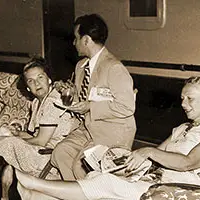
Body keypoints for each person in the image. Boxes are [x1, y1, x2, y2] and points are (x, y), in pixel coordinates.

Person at [3, 76, 200, 200]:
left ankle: (30, 182)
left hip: (182, 191)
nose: (184, 103)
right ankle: (31, 196)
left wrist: (148, 152)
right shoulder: (182, 129)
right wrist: (121, 161)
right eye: (182, 98)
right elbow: (152, 158)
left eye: (190, 99)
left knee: (106, 184)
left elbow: (189, 162)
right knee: (98, 174)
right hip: (156, 180)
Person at [50, 13, 137, 181]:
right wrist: (69, 92)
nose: (73, 43)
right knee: (61, 152)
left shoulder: (114, 68)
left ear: (86, 40)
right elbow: (83, 96)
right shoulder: (81, 66)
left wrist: (90, 106)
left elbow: (126, 107)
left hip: (114, 130)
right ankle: (75, 197)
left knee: (81, 165)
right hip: (89, 128)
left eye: (76, 38)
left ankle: (89, 198)